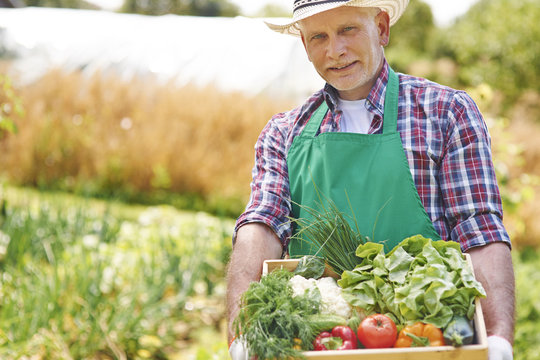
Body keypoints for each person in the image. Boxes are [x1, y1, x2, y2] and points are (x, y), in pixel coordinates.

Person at [226, 0, 515, 359]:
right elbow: (261, 224)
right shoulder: (282, 133)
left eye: (348, 29)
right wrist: (242, 329)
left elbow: (478, 229)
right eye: (318, 36)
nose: (335, 50)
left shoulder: (446, 113)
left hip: (428, 341)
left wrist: (498, 337)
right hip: (318, 341)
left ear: (381, 27)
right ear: (305, 45)